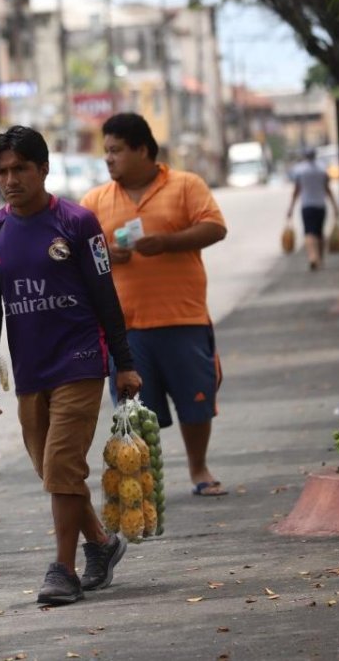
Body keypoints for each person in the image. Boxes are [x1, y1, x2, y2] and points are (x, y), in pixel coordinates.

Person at [0, 126, 141, 606]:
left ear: (43, 169)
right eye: (2, 171)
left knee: (63, 465)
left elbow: (105, 295)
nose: (10, 180)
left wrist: (124, 362)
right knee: (53, 472)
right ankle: (102, 544)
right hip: (31, 371)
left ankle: (63, 570)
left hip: (81, 360)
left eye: (20, 169)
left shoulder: (78, 222)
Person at [80, 113, 229, 497]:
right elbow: (77, 252)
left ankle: (199, 469)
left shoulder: (186, 185)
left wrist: (167, 242)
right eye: (106, 151)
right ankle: (142, 482)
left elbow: (215, 227)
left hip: (183, 317)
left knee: (196, 404)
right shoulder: (95, 200)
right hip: (125, 329)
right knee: (134, 413)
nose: (108, 158)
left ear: (142, 150)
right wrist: (106, 253)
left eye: (116, 150)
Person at [287, 147, 339, 271]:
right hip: (320, 206)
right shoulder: (322, 169)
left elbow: (296, 191)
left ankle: (312, 257)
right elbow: (328, 189)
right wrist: (335, 206)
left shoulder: (300, 170)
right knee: (319, 233)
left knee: (309, 233)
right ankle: (320, 258)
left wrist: (291, 208)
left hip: (307, 206)